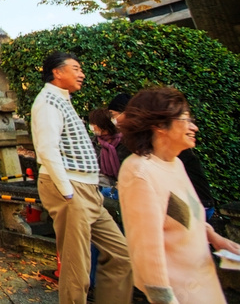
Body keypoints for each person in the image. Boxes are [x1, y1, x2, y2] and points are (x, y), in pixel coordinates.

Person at [117, 87, 240, 304]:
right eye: (185, 119)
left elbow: (180, 214)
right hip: (180, 294)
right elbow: (146, 249)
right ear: (159, 125)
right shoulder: (140, 172)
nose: (194, 127)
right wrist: (163, 297)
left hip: (203, 288)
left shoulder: (175, 164)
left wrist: (215, 238)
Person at [31, 52, 132, 304]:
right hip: (70, 186)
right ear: (57, 72)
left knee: (121, 254)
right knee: (78, 267)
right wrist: (66, 190)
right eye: (75, 68)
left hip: (88, 188)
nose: (81, 74)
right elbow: (46, 148)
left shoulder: (62, 100)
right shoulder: (47, 102)